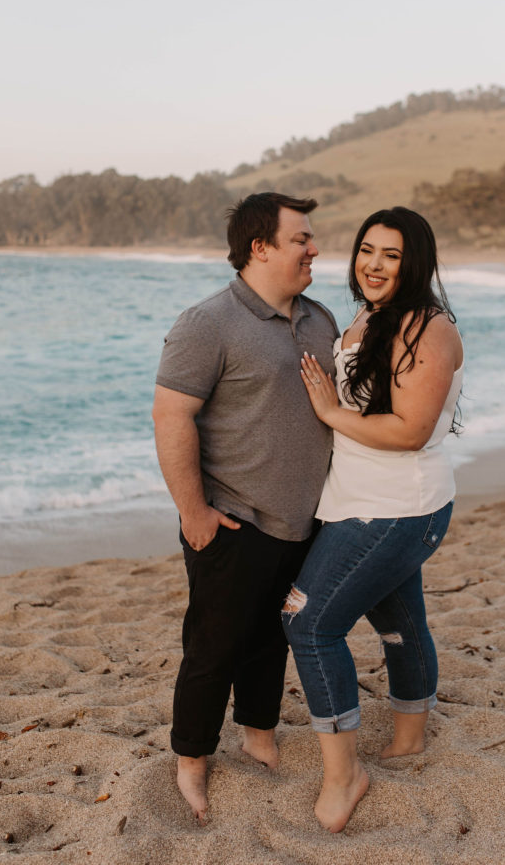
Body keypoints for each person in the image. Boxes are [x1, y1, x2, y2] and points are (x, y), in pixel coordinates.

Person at [152, 192, 338, 823]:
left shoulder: (319, 318)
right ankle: (192, 761)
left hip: (305, 522)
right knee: (213, 646)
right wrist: (193, 512)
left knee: (271, 636)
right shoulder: (208, 322)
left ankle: (258, 732)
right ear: (260, 247)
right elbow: (172, 416)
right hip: (233, 520)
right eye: (301, 240)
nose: (314, 249)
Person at [282, 206, 463, 833]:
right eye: (366, 250)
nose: (374, 264)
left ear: (416, 262)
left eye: (391, 254)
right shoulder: (369, 315)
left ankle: (344, 775)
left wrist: (332, 415)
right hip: (363, 500)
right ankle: (410, 735)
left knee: (306, 624)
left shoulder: (428, 328)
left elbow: (411, 430)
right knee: (397, 615)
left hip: (397, 506)